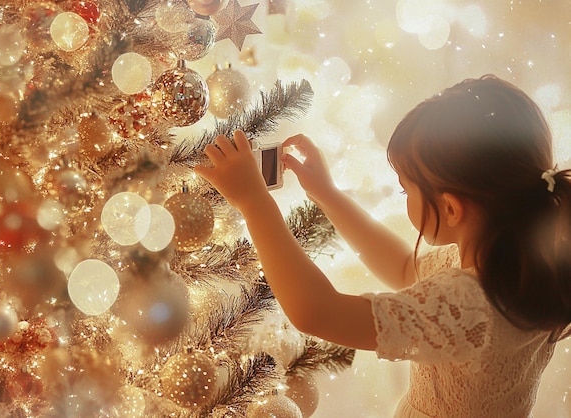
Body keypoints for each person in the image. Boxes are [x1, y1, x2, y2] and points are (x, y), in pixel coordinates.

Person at [194, 75, 571, 417]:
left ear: (452, 208)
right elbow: (405, 269)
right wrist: (326, 195)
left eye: (407, 189)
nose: (404, 196)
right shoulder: (519, 270)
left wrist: (254, 202)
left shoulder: (469, 305)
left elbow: (317, 312)